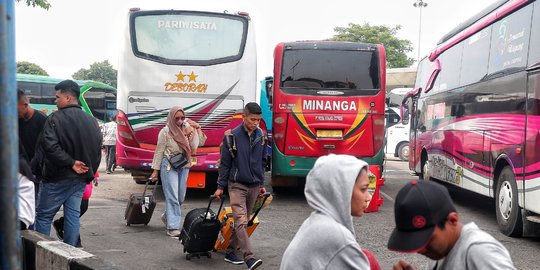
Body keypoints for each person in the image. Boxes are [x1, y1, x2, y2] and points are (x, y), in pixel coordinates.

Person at [387, 180, 516, 270]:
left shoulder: (479, 250)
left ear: (452, 220)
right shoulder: (440, 254)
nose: (421, 249)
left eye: (427, 239)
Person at [34, 80, 102, 247]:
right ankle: (71, 255)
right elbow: (97, 151)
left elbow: (50, 146)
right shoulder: (92, 121)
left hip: (56, 178)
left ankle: (42, 252)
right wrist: (88, 173)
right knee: (72, 217)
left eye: (57, 97)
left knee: (43, 217)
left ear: (68, 98)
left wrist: (71, 163)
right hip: (79, 179)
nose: (54, 101)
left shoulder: (53, 119)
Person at [280, 154, 373, 270]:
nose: (369, 197)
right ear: (341, 190)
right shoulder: (336, 235)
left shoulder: (315, 222)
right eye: (363, 189)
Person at [213, 102, 267, 270]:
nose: (255, 123)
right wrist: (220, 186)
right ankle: (249, 257)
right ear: (244, 117)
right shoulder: (231, 136)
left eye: (258, 120)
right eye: (252, 119)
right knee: (241, 220)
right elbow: (225, 165)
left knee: (245, 221)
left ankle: (230, 251)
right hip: (236, 185)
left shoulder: (262, 136)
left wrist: (261, 183)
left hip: (254, 186)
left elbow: (262, 162)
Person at [149, 106, 206, 237]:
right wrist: (155, 171)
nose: (180, 121)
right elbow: (159, 152)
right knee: (173, 196)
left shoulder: (188, 129)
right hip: (169, 165)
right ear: (171, 118)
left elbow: (201, 142)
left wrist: (197, 128)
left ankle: (167, 216)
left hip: (184, 165)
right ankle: (173, 227)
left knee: (180, 197)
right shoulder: (165, 132)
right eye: (177, 119)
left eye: (182, 118)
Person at [52, 172, 99, 248]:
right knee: (72, 211)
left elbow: (91, 159)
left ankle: (62, 223)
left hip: (83, 175)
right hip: (62, 176)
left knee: (83, 207)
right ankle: (75, 241)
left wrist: (95, 173)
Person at [17, 88, 47, 162]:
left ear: (25, 105)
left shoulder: (43, 120)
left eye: (15, 110)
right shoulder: (15, 120)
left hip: (37, 167)